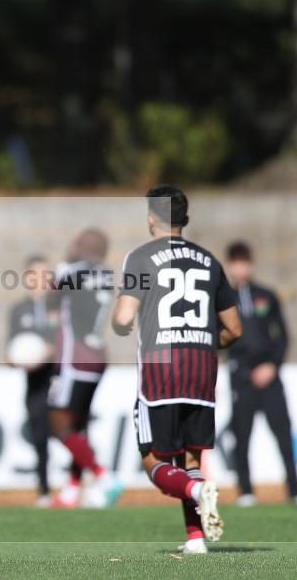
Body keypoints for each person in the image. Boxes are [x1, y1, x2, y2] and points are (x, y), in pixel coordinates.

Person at [112, 187, 243, 555]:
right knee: (190, 458)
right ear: (185, 218)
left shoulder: (140, 257)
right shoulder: (210, 261)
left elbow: (123, 318)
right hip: (203, 371)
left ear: (151, 217)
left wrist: (121, 324)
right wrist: (198, 340)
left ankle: (197, 491)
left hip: (161, 371)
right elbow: (235, 330)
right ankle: (196, 538)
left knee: (154, 458)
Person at [224, 241, 297, 507]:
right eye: (236, 263)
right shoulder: (222, 299)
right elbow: (218, 339)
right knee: (242, 435)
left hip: (269, 375)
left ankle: (294, 490)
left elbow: (282, 336)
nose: (241, 268)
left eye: (245, 262)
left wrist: (273, 365)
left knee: (283, 433)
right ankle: (246, 491)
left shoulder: (266, 296)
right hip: (241, 376)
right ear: (229, 265)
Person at [47, 228, 123, 508]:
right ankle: (72, 489)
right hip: (97, 357)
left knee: (57, 424)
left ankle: (104, 477)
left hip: (73, 358)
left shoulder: (70, 271)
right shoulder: (107, 274)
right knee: (78, 424)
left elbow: (50, 299)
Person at [7, 255, 57, 507]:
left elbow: (68, 341)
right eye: (37, 275)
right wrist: (17, 358)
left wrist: (50, 351)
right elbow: (12, 346)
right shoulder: (19, 310)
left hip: (58, 376)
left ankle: (79, 484)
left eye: (47, 274)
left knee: (71, 431)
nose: (43, 280)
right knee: (40, 435)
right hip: (35, 382)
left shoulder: (59, 307)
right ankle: (44, 490)